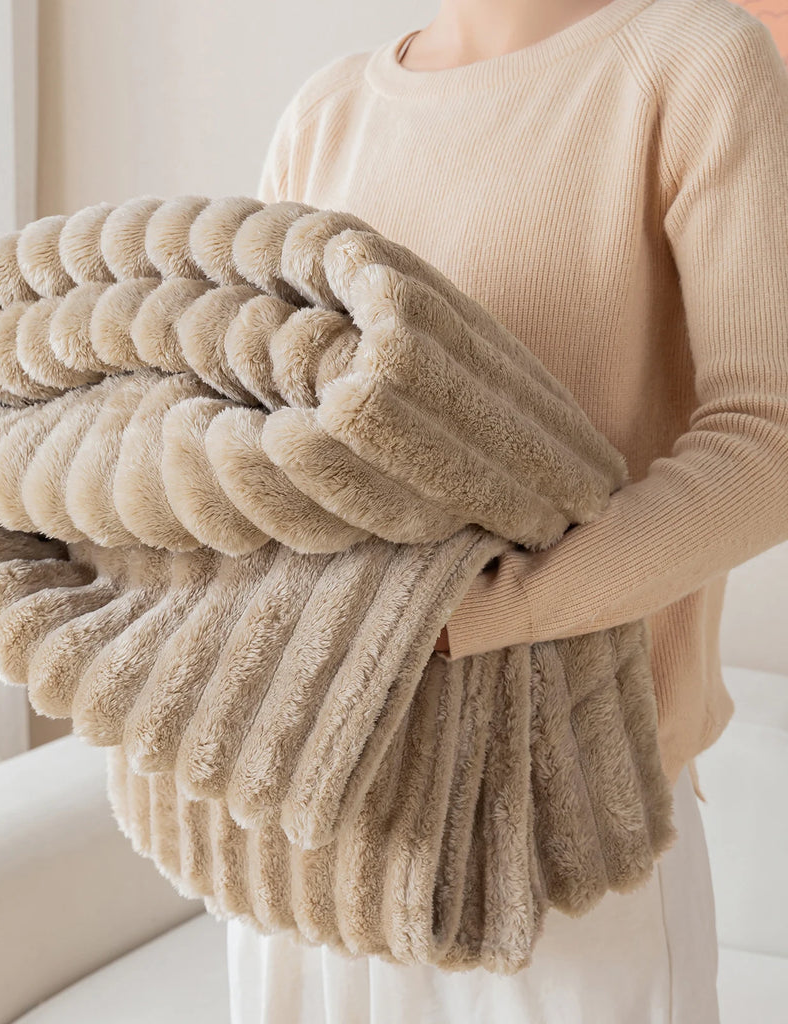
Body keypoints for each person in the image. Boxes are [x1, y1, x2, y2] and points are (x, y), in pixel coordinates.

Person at [227, 0, 788, 1020]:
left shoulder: (692, 63)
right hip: (306, 827)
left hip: (568, 833)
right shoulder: (325, 112)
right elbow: (254, 443)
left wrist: (459, 616)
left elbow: (768, 443)